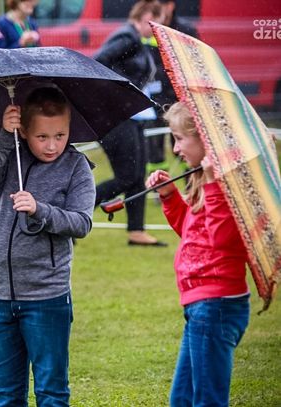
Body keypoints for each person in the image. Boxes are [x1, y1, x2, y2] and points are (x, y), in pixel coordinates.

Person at [0, 87, 95, 405]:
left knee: (51, 392)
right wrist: (3, 137)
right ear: (24, 130)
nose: (52, 145)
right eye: (42, 137)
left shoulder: (76, 166)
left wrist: (40, 210)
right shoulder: (7, 153)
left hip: (46, 296)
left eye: (60, 135)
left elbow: (81, 223)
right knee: (6, 394)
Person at [146, 102, 250, 407]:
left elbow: (223, 239)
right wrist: (169, 196)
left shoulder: (226, 185)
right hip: (200, 305)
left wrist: (215, 185)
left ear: (205, 138)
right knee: (183, 398)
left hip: (216, 305)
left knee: (206, 399)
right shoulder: (203, 181)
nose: (175, 148)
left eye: (180, 138)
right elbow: (193, 233)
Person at [93, 0, 166, 246]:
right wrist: (122, 91)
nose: (156, 30)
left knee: (138, 175)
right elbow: (98, 62)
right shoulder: (127, 38)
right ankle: (72, 213)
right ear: (146, 16)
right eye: (155, 23)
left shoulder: (137, 40)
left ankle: (137, 231)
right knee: (126, 177)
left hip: (133, 116)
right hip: (115, 118)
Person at [144, 0, 199, 175]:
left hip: (180, 98)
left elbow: (195, 63)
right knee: (154, 150)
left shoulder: (185, 30)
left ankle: (192, 184)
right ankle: (159, 184)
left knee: (184, 145)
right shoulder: (148, 29)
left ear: (170, 5)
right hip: (154, 100)